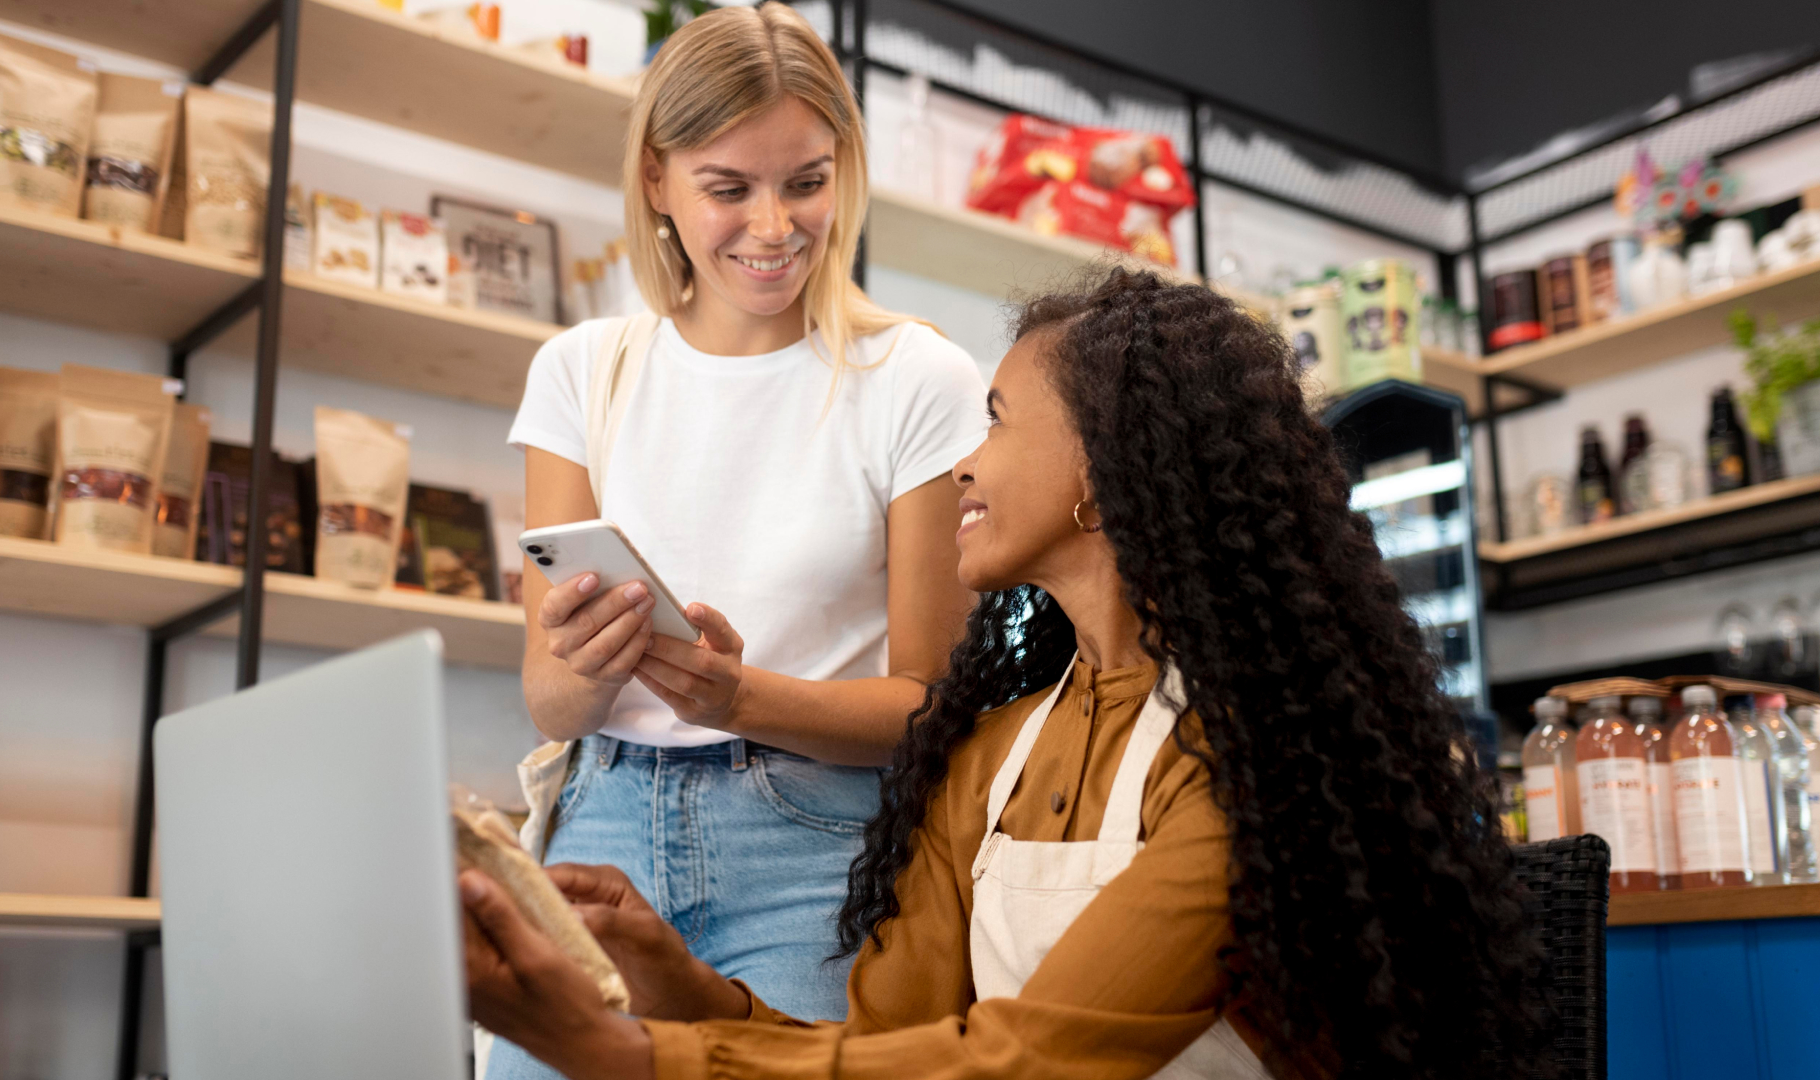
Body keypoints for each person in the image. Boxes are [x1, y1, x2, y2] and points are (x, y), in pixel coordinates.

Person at [463, 270, 1547, 1080]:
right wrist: (673, 980)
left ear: (1103, 465)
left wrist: (619, 1054)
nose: (963, 463)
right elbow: (886, 1052)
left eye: (995, 419)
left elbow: (1022, 1060)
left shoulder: (1250, 761)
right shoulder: (992, 751)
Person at [492, 4, 984, 1076]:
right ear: (659, 180)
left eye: (805, 181)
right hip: (600, 817)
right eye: (730, 188)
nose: (774, 227)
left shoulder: (915, 381)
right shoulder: (584, 372)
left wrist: (739, 697)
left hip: (817, 843)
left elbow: (930, 705)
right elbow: (549, 699)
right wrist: (585, 662)